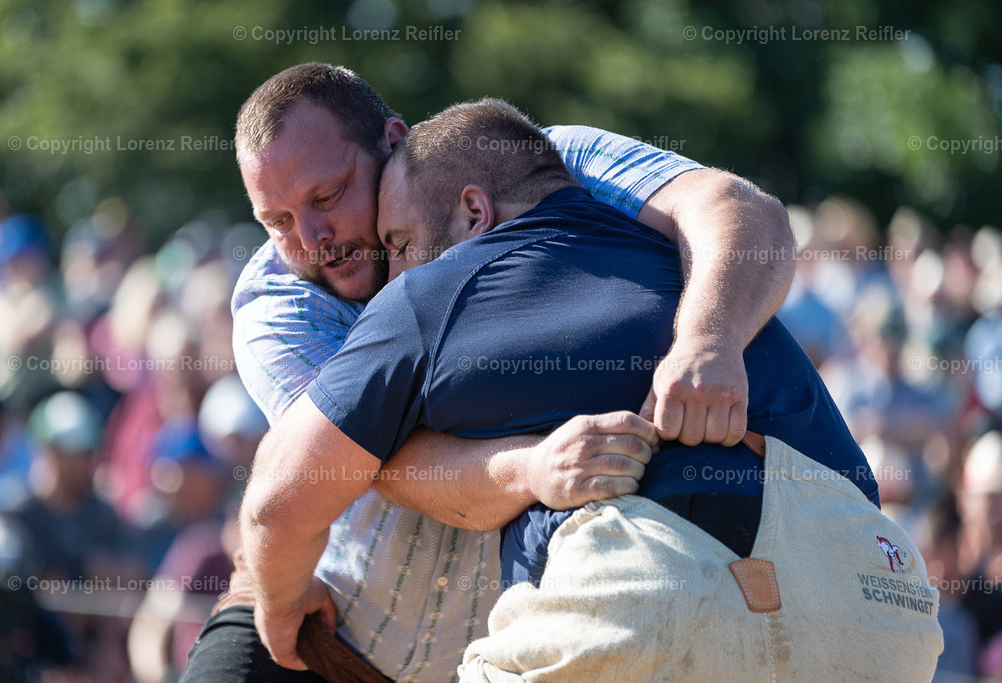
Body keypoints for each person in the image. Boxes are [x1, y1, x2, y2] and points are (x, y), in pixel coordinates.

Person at [240, 98, 941, 679]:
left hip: (638, 597)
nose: (312, 236)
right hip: (879, 597)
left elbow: (281, 501)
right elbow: (731, 214)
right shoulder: (675, 249)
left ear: (474, 213)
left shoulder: (424, 293)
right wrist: (708, 339)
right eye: (276, 224)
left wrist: (277, 608)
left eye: (396, 238)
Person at [187, 61, 796, 681]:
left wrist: (708, 340)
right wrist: (534, 468)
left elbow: (742, 214)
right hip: (324, 637)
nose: (313, 239)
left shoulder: (530, 164)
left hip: (516, 653)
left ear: (393, 142)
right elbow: (372, 466)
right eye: (278, 222)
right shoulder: (279, 303)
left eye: (327, 196)